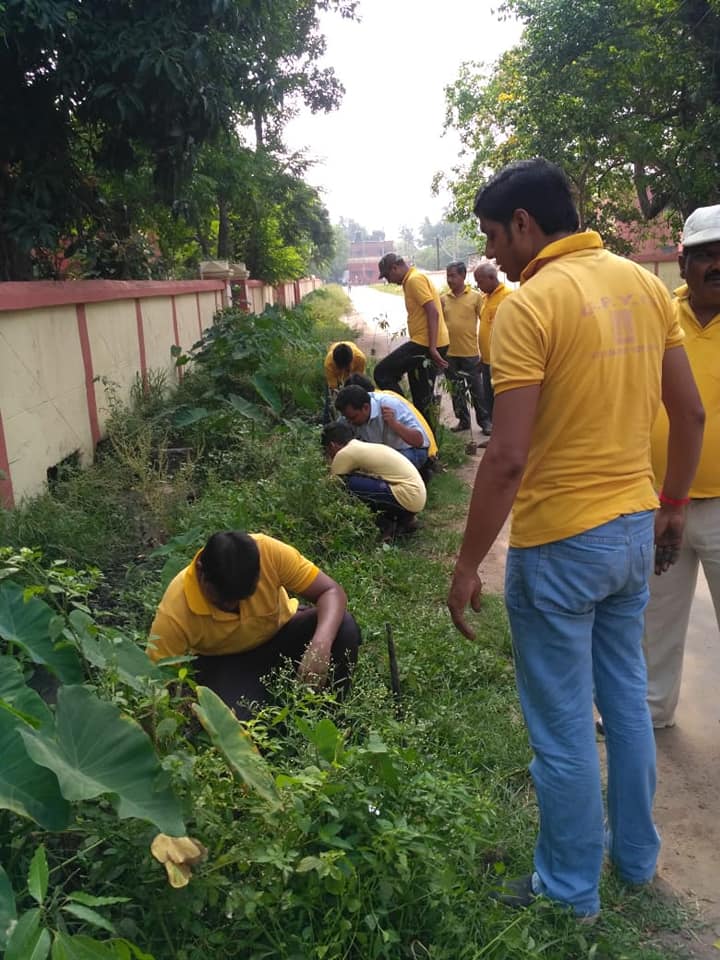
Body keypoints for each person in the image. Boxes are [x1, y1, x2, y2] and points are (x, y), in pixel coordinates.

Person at [446, 158, 704, 920]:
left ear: (525, 224)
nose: (494, 254)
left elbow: (508, 456)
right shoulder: (643, 286)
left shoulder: (530, 306)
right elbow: (689, 413)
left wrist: (466, 565)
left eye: (495, 236)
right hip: (631, 531)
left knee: (561, 728)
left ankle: (567, 893)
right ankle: (636, 859)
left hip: (560, 543)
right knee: (625, 703)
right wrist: (673, 505)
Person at [643, 204, 720, 728]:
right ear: (683, 260)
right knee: (655, 617)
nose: (717, 266)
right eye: (707, 255)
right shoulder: (658, 317)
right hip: (659, 499)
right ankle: (652, 711)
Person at [148, 531, 361, 719]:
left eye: (242, 597)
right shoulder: (175, 610)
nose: (232, 605)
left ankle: (328, 714)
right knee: (237, 727)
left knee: (343, 628)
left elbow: (330, 591)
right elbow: (156, 680)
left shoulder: (268, 553)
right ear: (201, 571)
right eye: (223, 599)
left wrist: (320, 645)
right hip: (225, 663)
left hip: (283, 633)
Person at [374, 253, 450, 418]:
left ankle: (404, 415)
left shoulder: (414, 280)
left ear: (395, 268)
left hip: (425, 344)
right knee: (422, 398)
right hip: (428, 342)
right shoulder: (413, 279)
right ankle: (420, 424)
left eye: (387, 276)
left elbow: (433, 312)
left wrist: (432, 348)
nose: (388, 280)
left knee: (382, 373)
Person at [321, 421, 426, 537]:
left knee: (344, 483)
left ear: (332, 445)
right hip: (415, 497)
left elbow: (331, 485)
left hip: (407, 497)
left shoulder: (344, 453)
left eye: (327, 452)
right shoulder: (361, 446)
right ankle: (404, 521)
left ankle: (385, 525)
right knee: (360, 481)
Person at [442, 261, 492, 435]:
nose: (450, 279)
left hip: (470, 353)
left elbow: (485, 323)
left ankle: (485, 422)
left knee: (477, 390)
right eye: (448, 276)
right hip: (449, 354)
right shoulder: (444, 299)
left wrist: (485, 351)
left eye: (453, 275)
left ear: (463, 276)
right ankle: (463, 421)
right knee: (456, 391)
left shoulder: (476, 297)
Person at [335, 383, 432, 471]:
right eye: (347, 418)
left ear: (366, 408)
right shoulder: (349, 415)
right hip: (382, 455)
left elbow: (419, 441)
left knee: (390, 468)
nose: (350, 422)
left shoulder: (390, 405)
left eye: (353, 418)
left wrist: (394, 424)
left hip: (410, 450)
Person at [473, 260, 512, 421]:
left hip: (501, 362)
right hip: (487, 361)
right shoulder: (486, 298)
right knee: (489, 403)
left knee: (502, 405)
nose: (478, 285)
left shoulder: (507, 297)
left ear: (491, 278)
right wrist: (483, 357)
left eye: (480, 281)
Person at [323, 341, 367, 423]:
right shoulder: (329, 363)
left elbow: (358, 382)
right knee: (329, 404)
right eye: (340, 368)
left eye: (345, 368)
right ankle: (327, 424)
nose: (343, 370)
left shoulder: (360, 359)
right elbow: (333, 388)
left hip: (353, 375)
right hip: (336, 378)